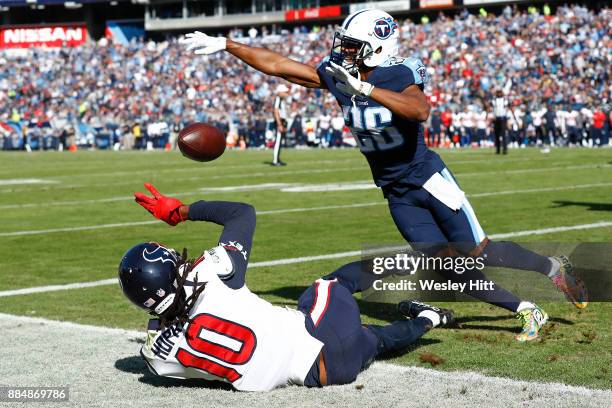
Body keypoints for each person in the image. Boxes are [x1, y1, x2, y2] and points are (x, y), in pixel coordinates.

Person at [180, 9, 588, 341]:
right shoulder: (342, 74)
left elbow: (420, 110)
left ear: (377, 47)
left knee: (477, 252)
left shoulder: (399, 72)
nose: (344, 51)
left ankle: (553, 268)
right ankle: (526, 309)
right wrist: (227, 45)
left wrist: (364, 90)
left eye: (353, 46)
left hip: (429, 180)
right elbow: (281, 66)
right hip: (395, 189)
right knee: (444, 266)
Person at [119, 183, 453, 391]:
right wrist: (182, 211)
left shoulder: (156, 358)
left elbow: (165, 330)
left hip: (325, 373)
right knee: (330, 285)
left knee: (373, 339)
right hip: (319, 335)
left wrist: (164, 316)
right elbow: (242, 214)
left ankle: (429, 319)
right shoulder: (210, 275)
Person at [272, 84, 289, 166]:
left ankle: (277, 159)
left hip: (282, 122)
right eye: (285, 92)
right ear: (280, 92)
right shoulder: (278, 99)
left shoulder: (281, 100)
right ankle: (275, 161)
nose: (286, 93)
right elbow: (276, 111)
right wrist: (279, 124)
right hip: (280, 122)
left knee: (279, 142)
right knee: (278, 142)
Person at [492, 89, 508, 154]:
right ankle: (498, 149)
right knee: (497, 135)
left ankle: (505, 149)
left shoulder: (504, 100)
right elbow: (493, 109)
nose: (499, 94)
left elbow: (507, 108)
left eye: (500, 93)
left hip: (503, 118)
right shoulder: (494, 100)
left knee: (503, 135)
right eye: (498, 93)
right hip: (496, 118)